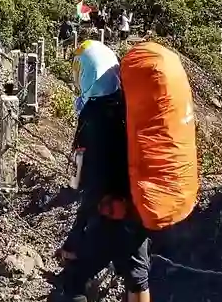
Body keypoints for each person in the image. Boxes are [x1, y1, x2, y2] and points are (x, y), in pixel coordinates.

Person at [52, 39, 151, 302]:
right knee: (138, 280)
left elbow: (92, 184)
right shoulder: (126, 104)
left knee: (74, 280)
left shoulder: (93, 117)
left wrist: (75, 235)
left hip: (108, 213)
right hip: (138, 207)